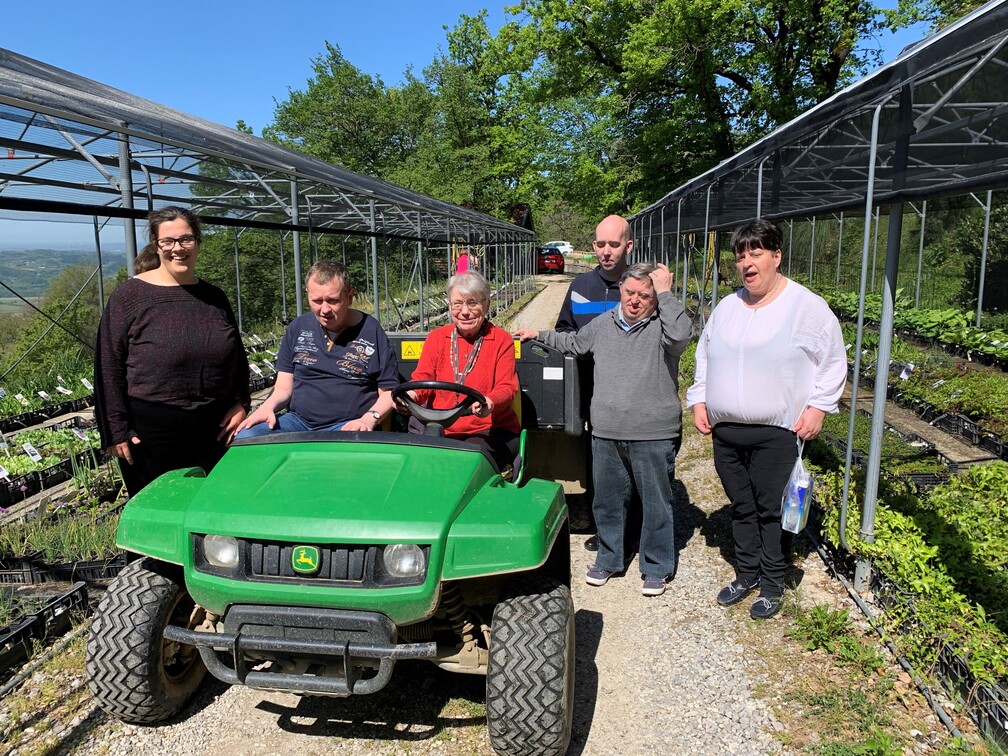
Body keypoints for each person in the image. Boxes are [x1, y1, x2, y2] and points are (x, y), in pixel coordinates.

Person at [686, 218, 846, 620]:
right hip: (726, 432)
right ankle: (747, 573)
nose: (746, 262)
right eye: (741, 255)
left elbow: (831, 358)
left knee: (770, 507)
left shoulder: (803, 305)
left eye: (755, 253)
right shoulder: (728, 306)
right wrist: (699, 399)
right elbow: (706, 356)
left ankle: (773, 582)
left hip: (776, 432)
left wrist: (818, 406)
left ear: (776, 256)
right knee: (741, 506)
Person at [515, 262, 691, 596]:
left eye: (644, 295)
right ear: (620, 290)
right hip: (606, 430)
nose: (635, 301)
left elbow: (683, 335)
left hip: (652, 432)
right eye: (629, 292)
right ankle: (610, 558)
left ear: (655, 298)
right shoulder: (605, 323)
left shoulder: (664, 328)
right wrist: (539, 335)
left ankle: (656, 567)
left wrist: (666, 293)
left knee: (656, 503)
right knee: (608, 500)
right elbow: (575, 343)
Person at [94, 205, 250, 497]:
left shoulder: (214, 297)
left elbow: (236, 355)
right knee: (158, 510)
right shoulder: (131, 296)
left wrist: (241, 401)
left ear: (198, 242)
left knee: (210, 509)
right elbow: (108, 365)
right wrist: (115, 429)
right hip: (151, 433)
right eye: (168, 241)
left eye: (186, 239)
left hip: (214, 429)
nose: (178, 248)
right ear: (156, 245)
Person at [235, 260, 398, 437]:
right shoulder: (298, 327)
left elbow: (388, 392)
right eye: (317, 301)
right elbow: (283, 387)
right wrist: (266, 407)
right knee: (247, 436)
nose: (325, 309)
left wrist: (368, 419)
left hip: (348, 425)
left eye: (333, 301)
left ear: (350, 297)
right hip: (298, 422)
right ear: (308, 296)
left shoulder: (371, 331)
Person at [555, 215, 634, 553]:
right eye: (600, 244)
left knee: (633, 454)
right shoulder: (580, 287)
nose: (606, 251)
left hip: (629, 387)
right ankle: (607, 528)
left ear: (628, 246)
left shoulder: (638, 287)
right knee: (597, 455)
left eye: (613, 244)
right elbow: (562, 329)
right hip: (589, 385)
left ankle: (636, 525)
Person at [406, 270, 520, 470]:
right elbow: (423, 378)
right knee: (418, 462)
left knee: (462, 463)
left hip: (486, 430)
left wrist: (490, 402)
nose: (464, 311)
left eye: (472, 303)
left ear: (486, 305)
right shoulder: (436, 338)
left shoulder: (501, 340)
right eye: (457, 304)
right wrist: (412, 394)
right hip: (439, 427)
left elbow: (507, 387)